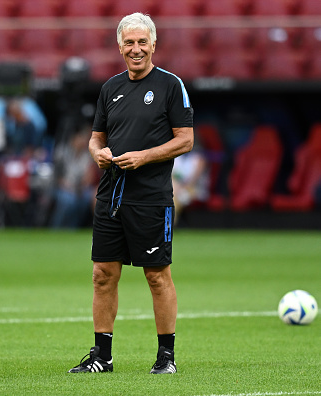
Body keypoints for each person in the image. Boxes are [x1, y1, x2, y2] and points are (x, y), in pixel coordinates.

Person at [68, 13, 194, 374]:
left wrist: (144, 157)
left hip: (152, 198)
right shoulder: (110, 88)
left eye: (142, 42)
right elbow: (96, 138)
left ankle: (166, 357)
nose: (135, 49)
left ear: (153, 44)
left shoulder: (171, 85)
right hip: (111, 196)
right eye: (129, 42)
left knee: (157, 275)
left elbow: (185, 139)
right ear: (119, 46)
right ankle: (102, 357)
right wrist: (98, 154)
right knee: (102, 274)